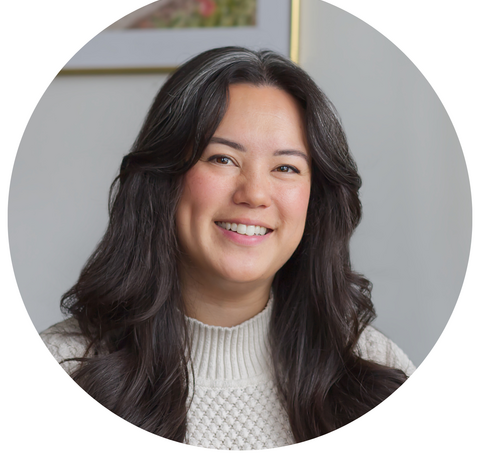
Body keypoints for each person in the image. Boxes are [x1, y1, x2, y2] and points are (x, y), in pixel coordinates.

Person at [41, 46, 415, 450]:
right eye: (222, 159)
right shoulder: (63, 370)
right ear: (163, 180)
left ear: (315, 200)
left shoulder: (377, 370)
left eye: (286, 167)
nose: (254, 194)